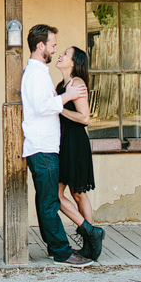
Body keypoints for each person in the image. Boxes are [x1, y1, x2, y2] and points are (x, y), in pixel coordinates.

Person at [21, 24, 92, 267]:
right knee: (50, 202)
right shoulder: (35, 74)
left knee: (49, 201)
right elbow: (42, 107)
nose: (55, 49)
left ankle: (56, 248)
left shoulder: (40, 73)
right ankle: (62, 252)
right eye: (52, 44)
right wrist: (66, 98)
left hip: (48, 147)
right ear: (41, 46)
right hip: (42, 147)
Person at [55, 46, 106, 261]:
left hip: (75, 144)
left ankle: (90, 242)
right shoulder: (62, 85)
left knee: (78, 193)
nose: (61, 55)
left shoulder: (77, 84)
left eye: (66, 54)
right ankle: (91, 232)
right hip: (62, 143)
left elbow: (85, 118)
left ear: (74, 63)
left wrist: (59, 108)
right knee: (56, 195)